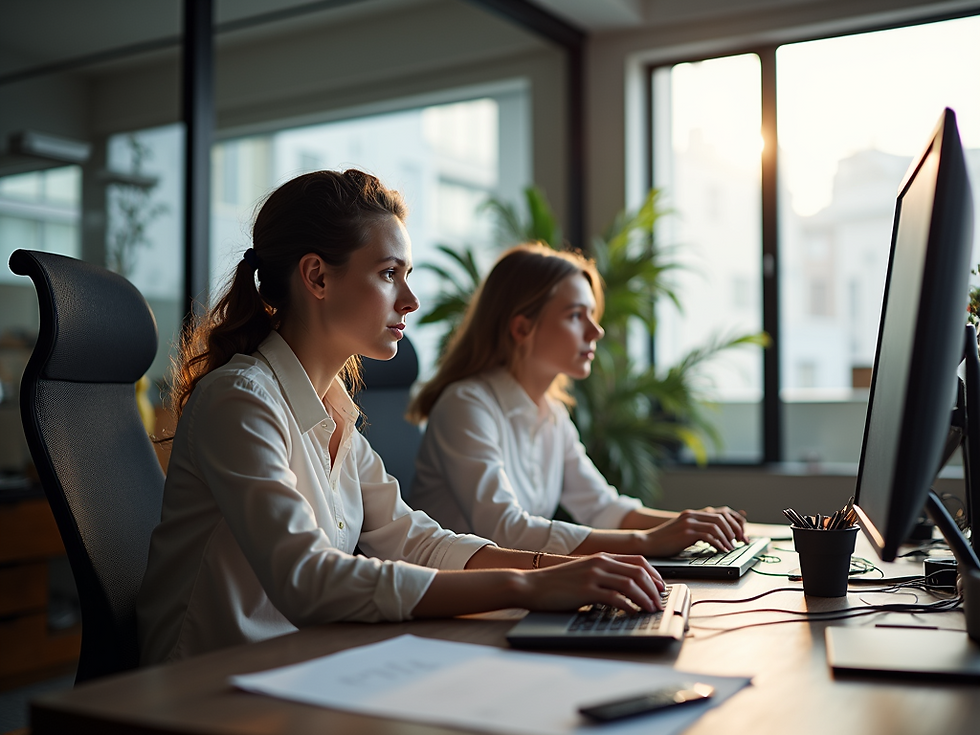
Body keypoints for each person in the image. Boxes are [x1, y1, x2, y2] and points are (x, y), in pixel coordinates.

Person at [136, 170, 664, 666]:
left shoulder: (335, 412)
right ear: (317, 277)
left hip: (301, 665)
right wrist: (527, 586)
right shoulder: (240, 401)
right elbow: (307, 578)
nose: (410, 300)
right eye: (390, 274)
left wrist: (560, 572)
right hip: (209, 682)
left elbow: (417, 541)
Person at [408, 243, 747, 559]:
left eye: (592, 314)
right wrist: (647, 542)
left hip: (511, 595)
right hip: (454, 606)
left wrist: (691, 525)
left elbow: (602, 508)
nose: (595, 331)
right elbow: (504, 530)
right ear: (522, 328)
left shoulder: (552, 415)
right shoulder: (465, 405)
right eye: (575, 316)